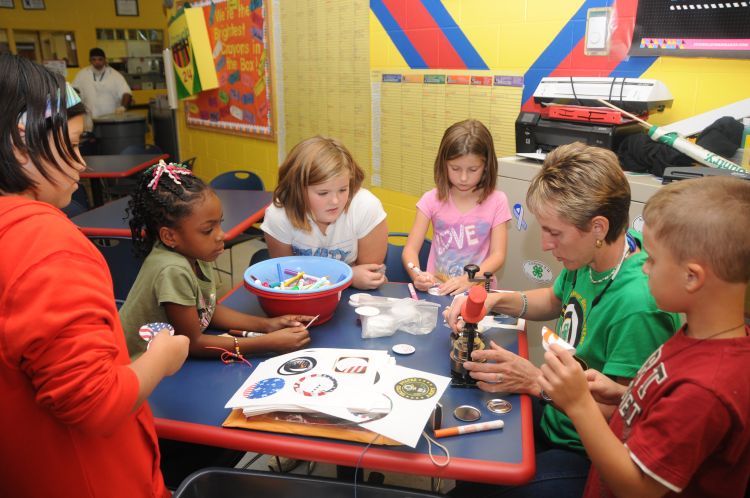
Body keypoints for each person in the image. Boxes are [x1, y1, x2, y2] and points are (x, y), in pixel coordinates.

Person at [0, 54, 188, 497]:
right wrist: (160, 357)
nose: (82, 164)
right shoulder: (45, 243)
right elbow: (96, 403)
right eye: (74, 143)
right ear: (23, 144)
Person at [446, 142, 681, 497]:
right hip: (556, 416)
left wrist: (535, 382)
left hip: (587, 453)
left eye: (554, 233)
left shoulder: (639, 305)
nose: (544, 244)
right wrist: (492, 300)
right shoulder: (600, 255)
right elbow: (555, 300)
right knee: (470, 460)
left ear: (598, 227)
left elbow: (618, 413)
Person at [539, 176, 750, 498]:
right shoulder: (697, 335)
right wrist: (624, 396)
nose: (644, 269)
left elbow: (637, 488)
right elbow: (663, 410)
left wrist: (579, 403)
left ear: (692, 277)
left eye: (652, 259)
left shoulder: (704, 390)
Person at [120, 162, 314, 361]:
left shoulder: (194, 251)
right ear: (170, 237)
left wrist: (268, 325)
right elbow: (193, 343)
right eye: (207, 230)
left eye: (219, 224)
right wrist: (268, 343)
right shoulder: (172, 269)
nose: (221, 235)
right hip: (139, 366)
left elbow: (207, 309)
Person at [261, 136, 388, 290]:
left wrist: (351, 277)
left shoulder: (366, 207)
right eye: (323, 193)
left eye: (343, 189)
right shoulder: (279, 216)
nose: (335, 201)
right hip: (303, 296)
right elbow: (287, 277)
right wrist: (350, 275)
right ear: (298, 189)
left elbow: (369, 275)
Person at [402, 119, 510, 295]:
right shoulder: (431, 200)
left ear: (486, 166)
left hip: (479, 292)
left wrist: (469, 279)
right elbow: (410, 250)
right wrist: (417, 276)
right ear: (443, 164)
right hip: (439, 290)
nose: (463, 178)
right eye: (455, 168)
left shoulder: (497, 201)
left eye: (473, 169)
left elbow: (498, 255)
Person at [71, 47, 133, 131]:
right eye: (94, 59)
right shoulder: (82, 75)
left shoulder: (115, 75)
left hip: (111, 120)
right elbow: (73, 91)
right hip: (89, 121)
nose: (97, 62)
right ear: (90, 60)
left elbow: (126, 93)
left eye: (100, 59)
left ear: (105, 60)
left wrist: (123, 107)